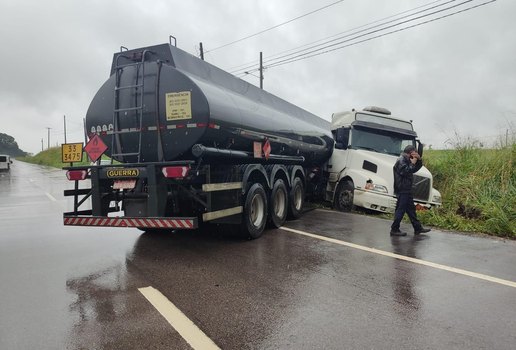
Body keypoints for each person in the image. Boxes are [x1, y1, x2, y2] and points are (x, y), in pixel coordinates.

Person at [390, 145, 431, 236]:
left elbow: (414, 169)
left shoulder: (407, 160)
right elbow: (406, 171)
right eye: (415, 153)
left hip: (407, 189)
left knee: (411, 210)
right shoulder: (401, 160)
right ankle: (394, 229)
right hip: (402, 189)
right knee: (401, 209)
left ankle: (418, 228)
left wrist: (419, 160)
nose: (416, 154)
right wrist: (412, 163)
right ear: (410, 152)